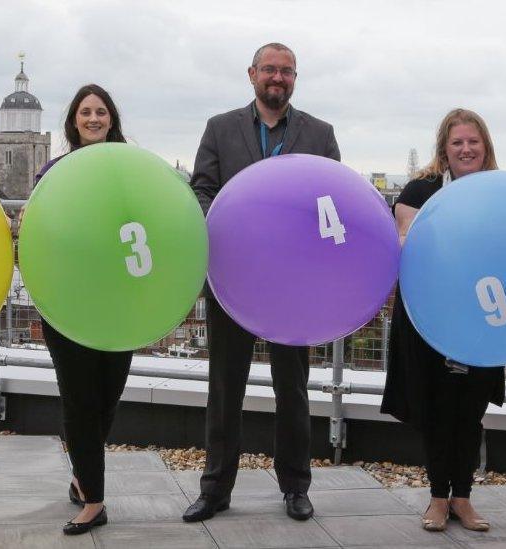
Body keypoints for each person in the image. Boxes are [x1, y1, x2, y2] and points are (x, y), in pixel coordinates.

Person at [183, 42, 340, 522]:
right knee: (224, 387)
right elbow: (201, 190)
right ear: (251, 74)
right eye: (269, 69)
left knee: (291, 387)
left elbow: (332, 198)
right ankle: (215, 490)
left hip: (293, 288)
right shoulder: (220, 128)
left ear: (296, 78)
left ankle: (295, 487)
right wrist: (231, 226)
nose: (277, 77)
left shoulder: (320, 133)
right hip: (233, 280)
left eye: (286, 71)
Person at [380, 108, 506, 533]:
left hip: (484, 316)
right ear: (443, 149)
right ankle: (436, 499)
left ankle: (463, 498)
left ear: (485, 147)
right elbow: (412, 247)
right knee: (434, 408)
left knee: (470, 409)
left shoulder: (500, 192)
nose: (466, 149)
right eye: (457, 143)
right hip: (429, 318)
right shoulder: (420, 188)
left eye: (473, 142)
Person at [32, 84, 132, 536]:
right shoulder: (54, 172)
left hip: (120, 301)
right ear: (73, 121)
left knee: (107, 395)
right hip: (67, 303)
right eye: (85, 112)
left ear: (112, 120)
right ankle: (94, 499)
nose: (93, 118)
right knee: (79, 398)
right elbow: (41, 230)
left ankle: (81, 470)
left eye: (101, 112)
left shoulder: (131, 169)